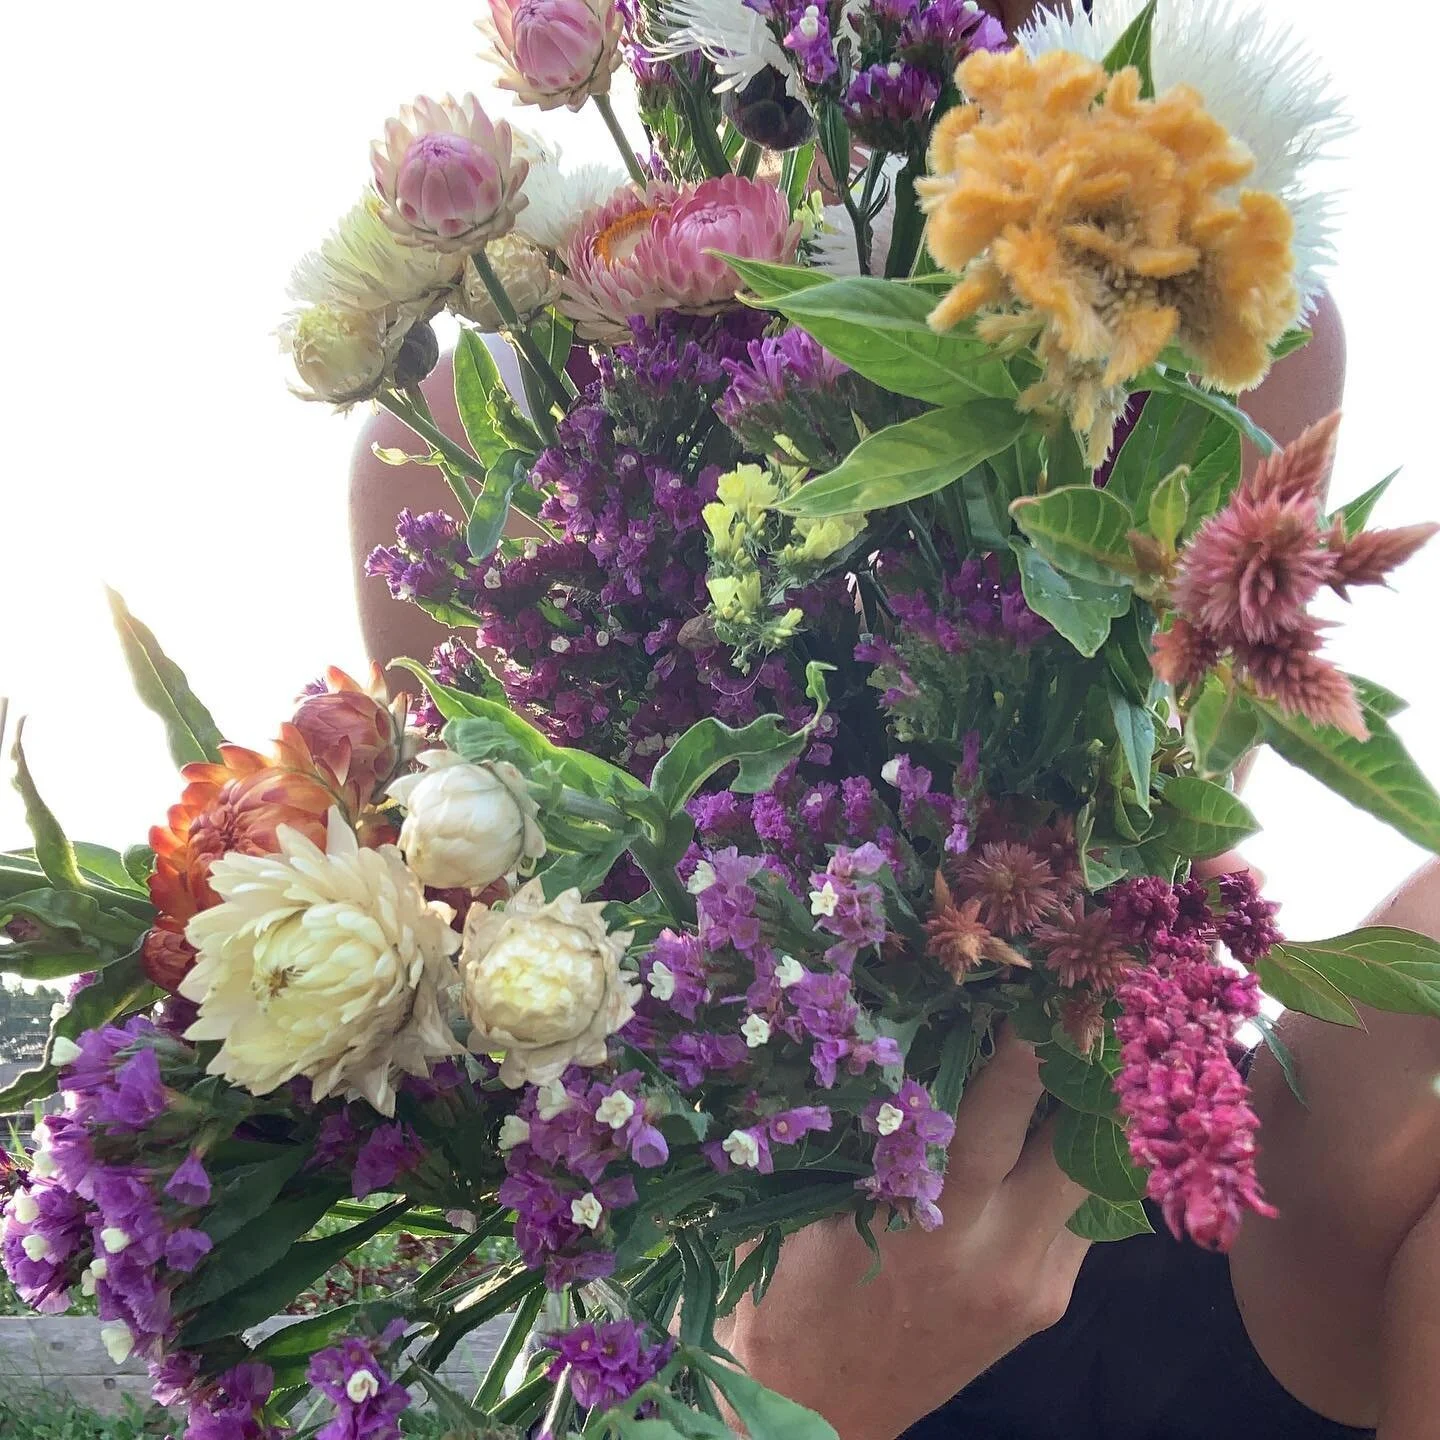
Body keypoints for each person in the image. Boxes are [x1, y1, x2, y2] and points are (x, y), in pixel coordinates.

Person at [347, 42, 1440, 1440]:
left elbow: (1144, 819)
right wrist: (791, 1396)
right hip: (776, 1277)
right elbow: (516, 991)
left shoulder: (1217, 293)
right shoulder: (466, 416)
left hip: (1095, 1158)